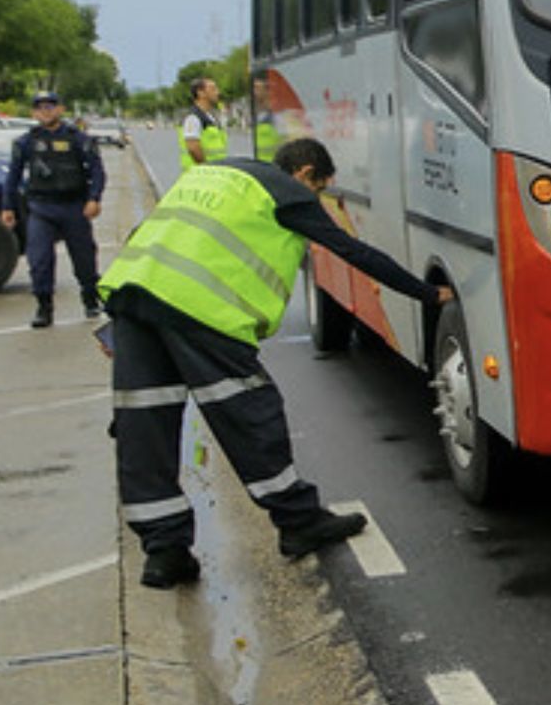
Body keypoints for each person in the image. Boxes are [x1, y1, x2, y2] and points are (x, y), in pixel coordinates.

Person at [99, 136, 454, 589]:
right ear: (306, 174)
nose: (317, 200)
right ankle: (299, 521)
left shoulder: (216, 174)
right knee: (250, 412)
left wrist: (113, 324)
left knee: (143, 427)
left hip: (134, 301)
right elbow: (354, 253)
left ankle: (165, 553)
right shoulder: (284, 193)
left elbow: (147, 239)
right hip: (201, 311)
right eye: (320, 189)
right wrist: (429, 294)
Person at [3, 89, 106, 328]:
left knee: (84, 258)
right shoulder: (26, 142)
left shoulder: (77, 138)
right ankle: (44, 307)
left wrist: (94, 198)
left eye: (50, 106)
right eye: (40, 107)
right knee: (39, 259)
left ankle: (90, 299)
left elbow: (97, 171)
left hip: (74, 207)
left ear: (61, 109)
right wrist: (7, 206)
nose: (46, 111)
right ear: (34, 113)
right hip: (41, 207)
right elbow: (13, 176)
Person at [178, 76, 227, 170]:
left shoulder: (209, 117)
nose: (218, 92)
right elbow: (193, 147)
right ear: (201, 93)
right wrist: (206, 168)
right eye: (213, 89)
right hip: (199, 177)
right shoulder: (193, 118)